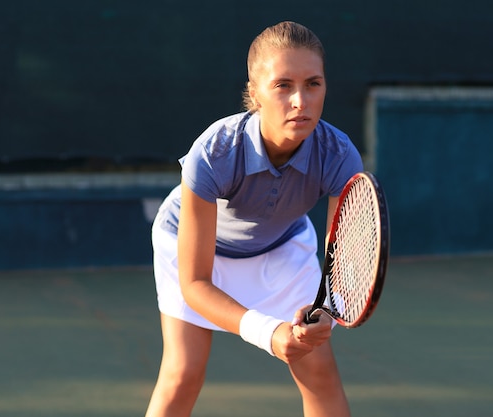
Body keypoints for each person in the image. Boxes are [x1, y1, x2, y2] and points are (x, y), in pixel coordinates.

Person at [145, 21, 363, 417]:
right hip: (192, 248)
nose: (301, 100)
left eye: (313, 84)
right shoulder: (213, 154)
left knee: (319, 373)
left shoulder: (338, 155)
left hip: (281, 249)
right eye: (283, 85)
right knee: (182, 374)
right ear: (255, 93)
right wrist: (269, 331)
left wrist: (326, 310)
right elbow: (195, 284)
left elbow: (341, 271)